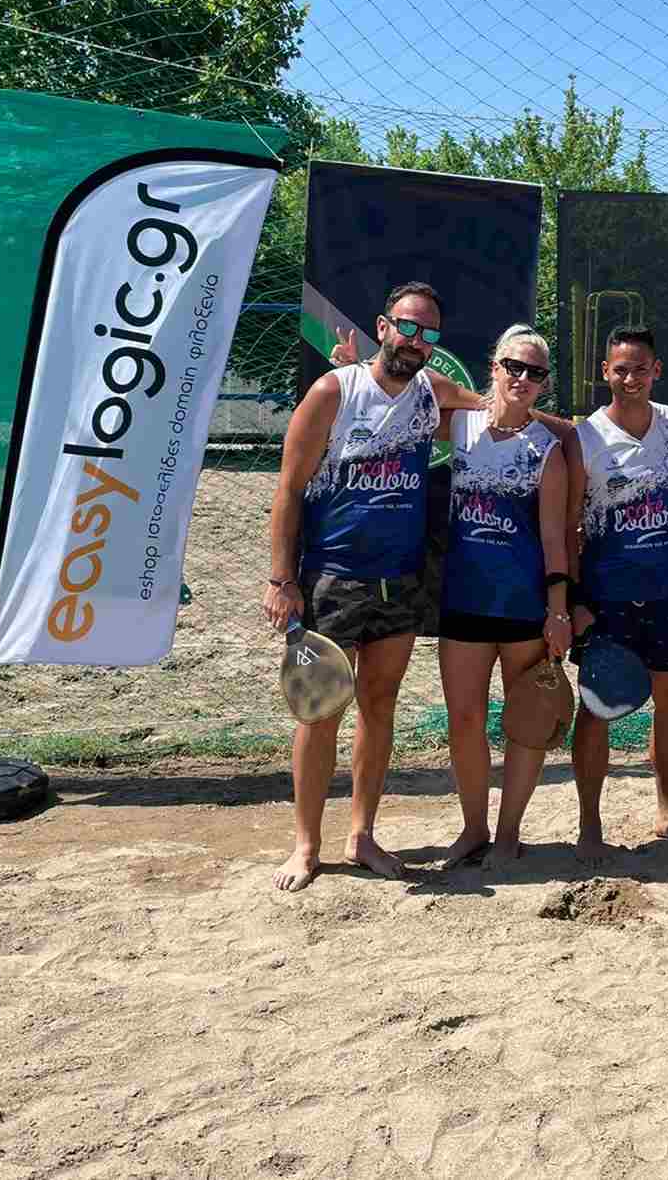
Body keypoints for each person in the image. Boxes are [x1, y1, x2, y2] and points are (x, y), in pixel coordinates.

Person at [263, 280, 489, 892]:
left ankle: (361, 835)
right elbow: (288, 490)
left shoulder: (431, 392)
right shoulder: (333, 391)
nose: (416, 339)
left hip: (400, 580)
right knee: (318, 711)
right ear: (383, 327)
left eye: (428, 332)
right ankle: (306, 844)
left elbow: (496, 411)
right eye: (406, 326)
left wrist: (575, 429)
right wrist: (282, 579)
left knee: (379, 705)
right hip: (331, 577)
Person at [437, 323, 575, 871]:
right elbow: (405, 399)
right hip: (463, 600)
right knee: (464, 719)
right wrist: (348, 368)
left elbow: (554, 538)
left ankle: (508, 833)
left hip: (522, 607)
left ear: (544, 383)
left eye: (534, 372)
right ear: (493, 367)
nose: (522, 378)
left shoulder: (548, 450)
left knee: (526, 721)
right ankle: (473, 828)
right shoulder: (459, 425)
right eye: (512, 366)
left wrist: (558, 612)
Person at [566, 326, 668, 863]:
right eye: (620, 369)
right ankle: (589, 822)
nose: (630, 379)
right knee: (596, 708)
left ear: (656, 371)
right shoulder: (586, 437)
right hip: (607, 598)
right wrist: (575, 600)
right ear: (605, 372)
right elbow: (569, 525)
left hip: (667, 592)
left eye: (640, 369)